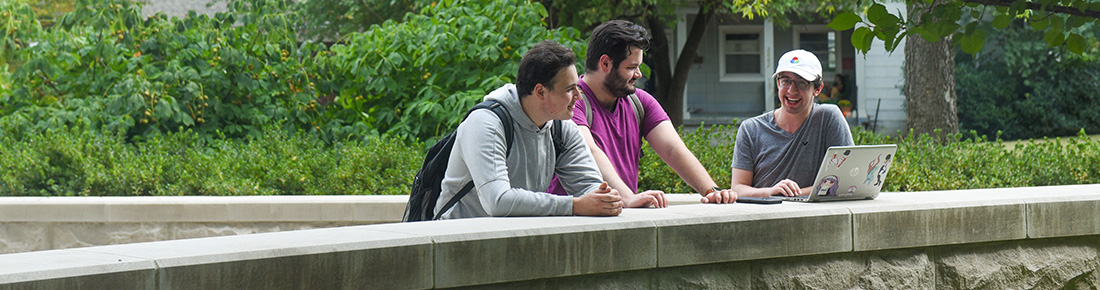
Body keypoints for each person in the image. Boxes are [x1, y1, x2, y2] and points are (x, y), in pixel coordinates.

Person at [546, 20, 737, 205]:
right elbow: (589, 150)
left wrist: (712, 191)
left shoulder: (640, 101)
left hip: (620, 216)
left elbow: (673, 149)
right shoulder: (572, 101)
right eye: (631, 67)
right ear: (605, 63)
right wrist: (627, 197)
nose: (639, 74)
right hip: (574, 221)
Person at [435, 40, 623, 219]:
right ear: (540, 91)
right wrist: (574, 205)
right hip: (457, 242)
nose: (578, 97)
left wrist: (604, 200)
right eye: (569, 89)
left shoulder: (562, 129)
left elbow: (592, 189)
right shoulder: (486, 123)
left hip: (513, 240)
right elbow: (498, 201)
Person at [729, 49, 855, 197]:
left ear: (818, 89)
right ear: (778, 84)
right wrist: (771, 192)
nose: (792, 90)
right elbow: (738, 188)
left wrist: (792, 194)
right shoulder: (751, 129)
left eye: (802, 83)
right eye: (786, 81)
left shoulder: (828, 118)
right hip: (764, 215)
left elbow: (846, 180)